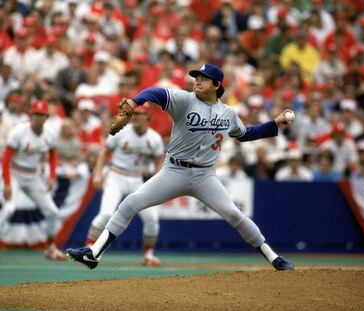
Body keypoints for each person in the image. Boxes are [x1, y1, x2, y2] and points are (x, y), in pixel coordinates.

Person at [66, 63, 295, 271]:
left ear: (216, 84)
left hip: (205, 176)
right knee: (130, 203)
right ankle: (94, 253)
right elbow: (155, 92)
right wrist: (136, 101)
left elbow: (246, 134)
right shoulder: (185, 100)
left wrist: (274, 123)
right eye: (196, 76)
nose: (197, 80)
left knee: (234, 215)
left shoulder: (228, 113)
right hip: (173, 171)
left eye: (204, 78)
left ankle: (273, 257)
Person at [87, 103, 165, 266]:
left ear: (148, 117)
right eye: (134, 114)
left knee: (151, 217)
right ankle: (89, 248)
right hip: (116, 175)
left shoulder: (154, 138)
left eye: (140, 114)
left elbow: (159, 159)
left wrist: (157, 179)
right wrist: (98, 173)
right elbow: (104, 151)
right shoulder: (120, 131)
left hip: (137, 179)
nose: (136, 117)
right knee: (107, 214)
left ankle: (148, 255)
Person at [0, 100, 65, 260]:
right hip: (15, 174)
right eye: (36, 114)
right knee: (8, 209)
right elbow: (6, 160)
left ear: (46, 117)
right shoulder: (19, 132)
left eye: (42, 115)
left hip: (32, 176)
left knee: (52, 212)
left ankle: (50, 247)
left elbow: (53, 156)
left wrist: (52, 176)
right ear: (31, 115)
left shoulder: (49, 133)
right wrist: (7, 183)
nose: (38, 118)